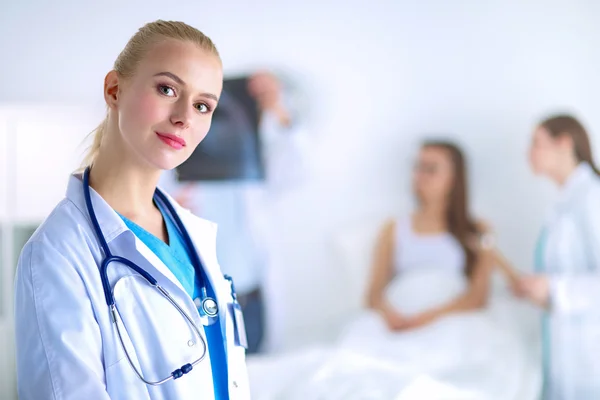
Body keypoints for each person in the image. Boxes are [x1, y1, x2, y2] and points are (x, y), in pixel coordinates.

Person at [13, 20, 251, 400]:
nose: (184, 117)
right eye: (167, 88)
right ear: (114, 89)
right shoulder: (56, 256)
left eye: (203, 105)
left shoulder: (192, 234)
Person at [159, 70, 307, 355]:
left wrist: (276, 109)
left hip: (251, 300)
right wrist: (164, 208)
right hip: (196, 303)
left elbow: (295, 170)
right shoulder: (169, 166)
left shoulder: (255, 168)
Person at [498, 114, 600, 399]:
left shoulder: (593, 198)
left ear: (564, 143)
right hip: (565, 352)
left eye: (536, 143)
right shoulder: (563, 204)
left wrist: (554, 288)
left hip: (590, 357)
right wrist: (539, 291)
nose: (528, 152)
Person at [365, 140, 494, 331]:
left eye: (431, 169)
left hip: (451, 321)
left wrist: (428, 318)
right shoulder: (392, 228)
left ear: (454, 178)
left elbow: (478, 296)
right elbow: (374, 293)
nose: (420, 176)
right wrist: (392, 317)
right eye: (418, 167)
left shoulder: (479, 229)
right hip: (401, 320)